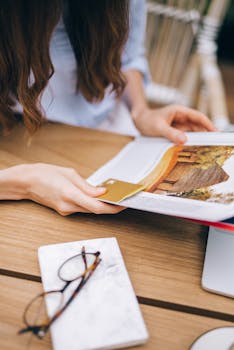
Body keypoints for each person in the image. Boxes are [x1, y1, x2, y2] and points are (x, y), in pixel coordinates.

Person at [0, 0, 216, 216]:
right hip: (14, 128)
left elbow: (128, 58)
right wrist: (26, 183)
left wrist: (141, 112)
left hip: (104, 128)